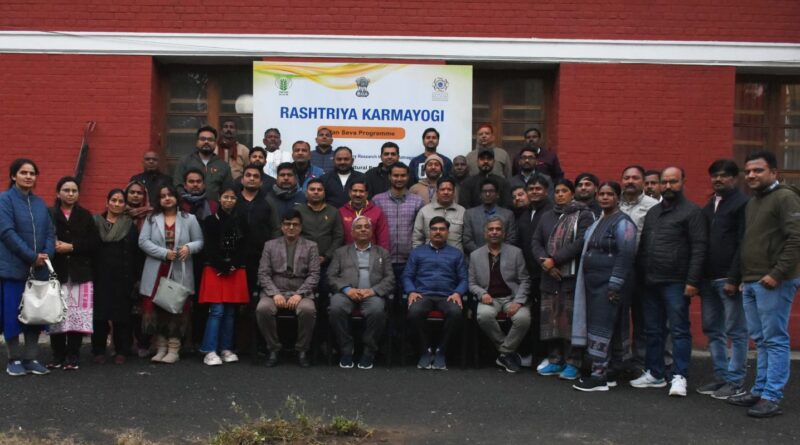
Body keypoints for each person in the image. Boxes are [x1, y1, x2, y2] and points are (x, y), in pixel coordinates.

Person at [728, 150, 800, 418]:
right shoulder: (753, 203)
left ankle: (772, 396)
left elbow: (796, 238)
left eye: (758, 170)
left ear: (774, 172)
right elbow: (748, 242)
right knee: (760, 339)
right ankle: (759, 390)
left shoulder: (785, 197)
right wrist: (742, 278)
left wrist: (777, 274)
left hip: (773, 281)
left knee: (775, 339)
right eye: (748, 171)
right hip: (752, 280)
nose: (751, 175)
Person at [631, 167, 706, 397]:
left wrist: (692, 281)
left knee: (679, 330)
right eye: (664, 182)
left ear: (683, 182)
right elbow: (645, 244)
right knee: (653, 330)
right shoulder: (654, 212)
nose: (668, 186)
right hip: (650, 281)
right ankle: (655, 373)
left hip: (676, 281)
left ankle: (679, 376)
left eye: (673, 181)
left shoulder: (692, 212)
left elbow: (699, 247)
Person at [571, 182, 638, 392]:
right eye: (602, 194)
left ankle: (598, 376)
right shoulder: (599, 220)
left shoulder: (623, 223)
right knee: (602, 326)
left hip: (610, 285)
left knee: (602, 327)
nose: (605, 197)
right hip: (593, 284)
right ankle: (610, 372)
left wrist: (615, 284)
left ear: (618, 197)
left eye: (610, 194)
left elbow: (626, 255)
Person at [694, 159, 750, 400]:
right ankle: (721, 377)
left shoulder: (742, 204)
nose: (718, 179)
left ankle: (736, 382)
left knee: (736, 331)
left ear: (735, 178)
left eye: (724, 175)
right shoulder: (710, 205)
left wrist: (734, 278)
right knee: (713, 330)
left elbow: (743, 243)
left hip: (728, 278)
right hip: (708, 279)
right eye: (715, 175)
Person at [532, 178, 594, 380]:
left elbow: (581, 241)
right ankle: (555, 360)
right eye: (557, 191)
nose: (559, 194)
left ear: (572, 193)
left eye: (564, 191)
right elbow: (536, 242)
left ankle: (573, 363)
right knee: (551, 321)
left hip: (571, 277)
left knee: (570, 321)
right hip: (549, 277)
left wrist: (555, 260)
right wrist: (546, 263)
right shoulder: (547, 216)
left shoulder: (583, 215)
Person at [138, 183, 204, 364]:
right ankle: (160, 348)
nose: (167, 198)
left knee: (176, 308)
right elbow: (143, 242)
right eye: (162, 196)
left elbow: (199, 241)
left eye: (170, 195)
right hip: (157, 269)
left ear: (176, 198)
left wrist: (188, 248)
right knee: (156, 308)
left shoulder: (189, 219)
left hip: (179, 270)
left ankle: (174, 349)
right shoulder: (152, 219)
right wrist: (164, 253)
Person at [0, 159, 54, 376]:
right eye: (23, 172)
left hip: (38, 270)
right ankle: (13, 359)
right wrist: (31, 256)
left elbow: (50, 232)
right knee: (12, 315)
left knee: (35, 314)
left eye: (32, 173)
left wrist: (46, 254)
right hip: (13, 269)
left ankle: (31, 358)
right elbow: (7, 232)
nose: (29, 176)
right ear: (13, 176)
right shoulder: (4, 200)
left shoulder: (40, 203)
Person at [327, 216, 395, 369]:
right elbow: (331, 276)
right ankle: (346, 349)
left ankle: (368, 351)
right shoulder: (340, 252)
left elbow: (390, 278)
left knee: (377, 310)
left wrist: (373, 291)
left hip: (371, 294)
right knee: (336, 307)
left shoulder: (382, 253)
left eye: (366, 227)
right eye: (359, 227)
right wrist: (347, 290)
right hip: (346, 293)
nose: (363, 229)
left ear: (371, 231)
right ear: (352, 232)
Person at [48, 176, 100, 371]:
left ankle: (73, 355)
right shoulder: (49, 214)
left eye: (74, 191)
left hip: (80, 273)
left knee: (77, 315)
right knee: (56, 315)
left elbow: (94, 243)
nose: (70, 194)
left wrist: (72, 247)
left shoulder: (86, 215)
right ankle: (57, 355)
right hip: (56, 271)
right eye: (66, 190)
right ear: (58, 193)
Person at [256, 210, 320, 368]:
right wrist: (275, 294)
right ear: (282, 226)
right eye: (287, 224)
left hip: (301, 291)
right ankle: (273, 348)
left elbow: (314, 274)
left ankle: (302, 349)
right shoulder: (270, 245)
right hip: (275, 290)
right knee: (263, 309)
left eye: (295, 224)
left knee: (308, 310)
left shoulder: (311, 246)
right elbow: (263, 273)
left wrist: (299, 295)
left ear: (300, 227)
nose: (291, 227)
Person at [404, 216, 468, 371]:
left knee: (456, 313)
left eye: (442, 229)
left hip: (448, 295)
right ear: (429, 232)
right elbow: (407, 276)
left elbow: (464, 279)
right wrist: (411, 291)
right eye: (434, 229)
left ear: (447, 232)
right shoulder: (417, 253)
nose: (438, 232)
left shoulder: (456, 254)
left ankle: (441, 351)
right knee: (414, 312)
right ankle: (425, 350)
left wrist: (458, 293)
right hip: (423, 295)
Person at [470, 217, 531, 373]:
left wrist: (518, 302)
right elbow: (472, 283)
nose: (494, 232)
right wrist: (482, 293)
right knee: (484, 316)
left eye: (498, 229)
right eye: (491, 229)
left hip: (512, 297)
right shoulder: (475, 255)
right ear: (485, 233)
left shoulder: (516, 252)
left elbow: (525, 280)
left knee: (523, 319)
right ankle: (508, 353)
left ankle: (504, 353)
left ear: (503, 233)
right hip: (490, 299)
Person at [197, 186, 249, 366]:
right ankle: (209, 350)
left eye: (232, 198)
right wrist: (223, 265)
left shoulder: (241, 221)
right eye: (226, 197)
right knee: (217, 310)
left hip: (235, 269)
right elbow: (209, 247)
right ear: (219, 199)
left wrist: (233, 264)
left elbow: (244, 246)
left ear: (237, 200)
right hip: (215, 269)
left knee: (230, 312)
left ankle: (226, 348)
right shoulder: (211, 220)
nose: (229, 200)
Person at [618, 165, 659, 373]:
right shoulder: (614, 202)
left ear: (643, 181)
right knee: (618, 317)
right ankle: (620, 360)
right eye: (627, 178)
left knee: (642, 318)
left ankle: (641, 363)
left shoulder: (654, 206)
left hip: (643, 269)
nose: (630, 181)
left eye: (635, 178)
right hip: (618, 270)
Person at [92, 189, 140, 365]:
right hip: (100, 276)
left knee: (122, 316)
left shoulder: (129, 226)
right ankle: (98, 350)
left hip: (123, 277)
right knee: (100, 316)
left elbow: (136, 253)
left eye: (121, 201)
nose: (117, 204)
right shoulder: (95, 223)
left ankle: (121, 350)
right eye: (114, 200)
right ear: (107, 202)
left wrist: (136, 278)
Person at [373, 163, 425, 287]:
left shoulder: (417, 201)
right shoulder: (377, 200)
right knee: (384, 295)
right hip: (383, 260)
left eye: (403, 175)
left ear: (408, 177)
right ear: (389, 177)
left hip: (409, 260)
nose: (399, 179)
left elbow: (421, 231)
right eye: (396, 175)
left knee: (407, 294)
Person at [296, 178, 344, 303]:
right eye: (312, 189)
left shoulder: (333, 211)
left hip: (327, 263)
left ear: (324, 193)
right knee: (304, 293)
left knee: (325, 292)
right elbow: (294, 235)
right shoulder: (298, 211)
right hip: (302, 261)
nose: (316, 192)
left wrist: (326, 256)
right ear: (306, 193)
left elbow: (338, 236)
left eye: (319, 189)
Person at [235, 164, 277, 300]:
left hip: (260, 256)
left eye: (255, 176)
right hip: (236, 255)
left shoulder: (268, 202)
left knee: (256, 294)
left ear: (261, 182)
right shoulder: (233, 200)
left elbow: (275, 228)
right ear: (242, 180)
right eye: (248, 175)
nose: (252, 178)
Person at [124, 180, 153, 357]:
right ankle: (124, 344)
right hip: (123, 266)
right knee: (124, 308)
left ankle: (144, 343)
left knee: (142, 308)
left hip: (146, 265)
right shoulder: (118, 214)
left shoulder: (151, 217)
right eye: (132, 192)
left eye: (139, 193)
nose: (135, 195)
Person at [173, 126, 233, 201]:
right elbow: (178, 185)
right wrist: (188, 199)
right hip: (187, 205)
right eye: (203, 139)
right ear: (197, 142)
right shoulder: (185, 161)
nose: (206, 142)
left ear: (215, 143)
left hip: (214, 207)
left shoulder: (223, 165)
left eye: (210, 140)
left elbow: (227, 191)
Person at [463, 177, 518, 256]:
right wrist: (482, 255)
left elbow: (511, 239)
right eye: (484, 191)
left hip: (502, 257)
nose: (487, 194)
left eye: (491, 191)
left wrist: (497, 254)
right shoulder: (469, 214)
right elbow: (467, 240)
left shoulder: (508, 214)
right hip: (477, 258)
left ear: (497, 194)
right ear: (480, 195)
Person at [412, 178, 466, 251]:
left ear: (454, 193)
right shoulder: (424, 211)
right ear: (437, 192)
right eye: (442, 189)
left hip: (456, 256)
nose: (446, 192)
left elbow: (466, 239)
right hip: (429, 256)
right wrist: (419, 255)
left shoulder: (462, 211)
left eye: (449, 189)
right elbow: (417, 238)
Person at [338, 180, 389, 250]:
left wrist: (382, 255)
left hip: (372, 254)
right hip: (347, 254)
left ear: (366, 194)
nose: (358, 194)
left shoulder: (377, 212)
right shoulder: (341, 212)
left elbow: (383, 238)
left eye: (361, 191)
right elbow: (338, 238)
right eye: (355, 191)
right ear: (350, 193)